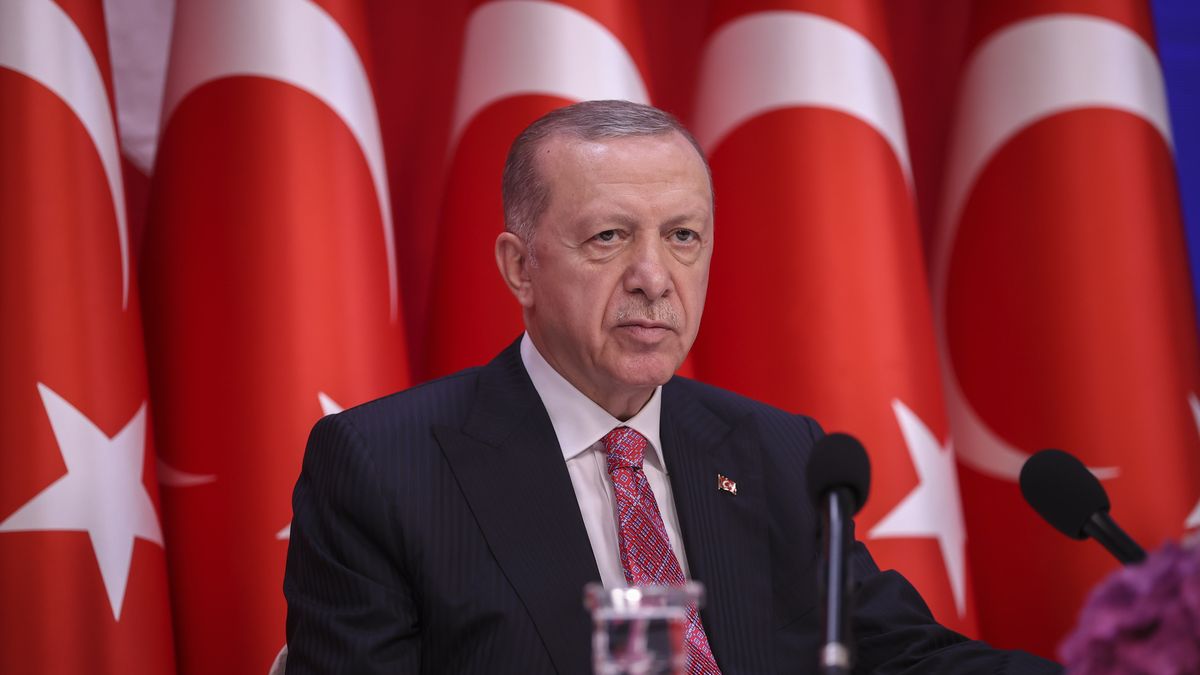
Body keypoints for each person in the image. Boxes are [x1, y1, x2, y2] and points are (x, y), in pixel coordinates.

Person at [283, 100, 1060, 674]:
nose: (654, 278)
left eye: (683, 236)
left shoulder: (779, 452)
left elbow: (900, 655)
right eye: (609, 237)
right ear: (520, 268)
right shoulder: (385, 467)